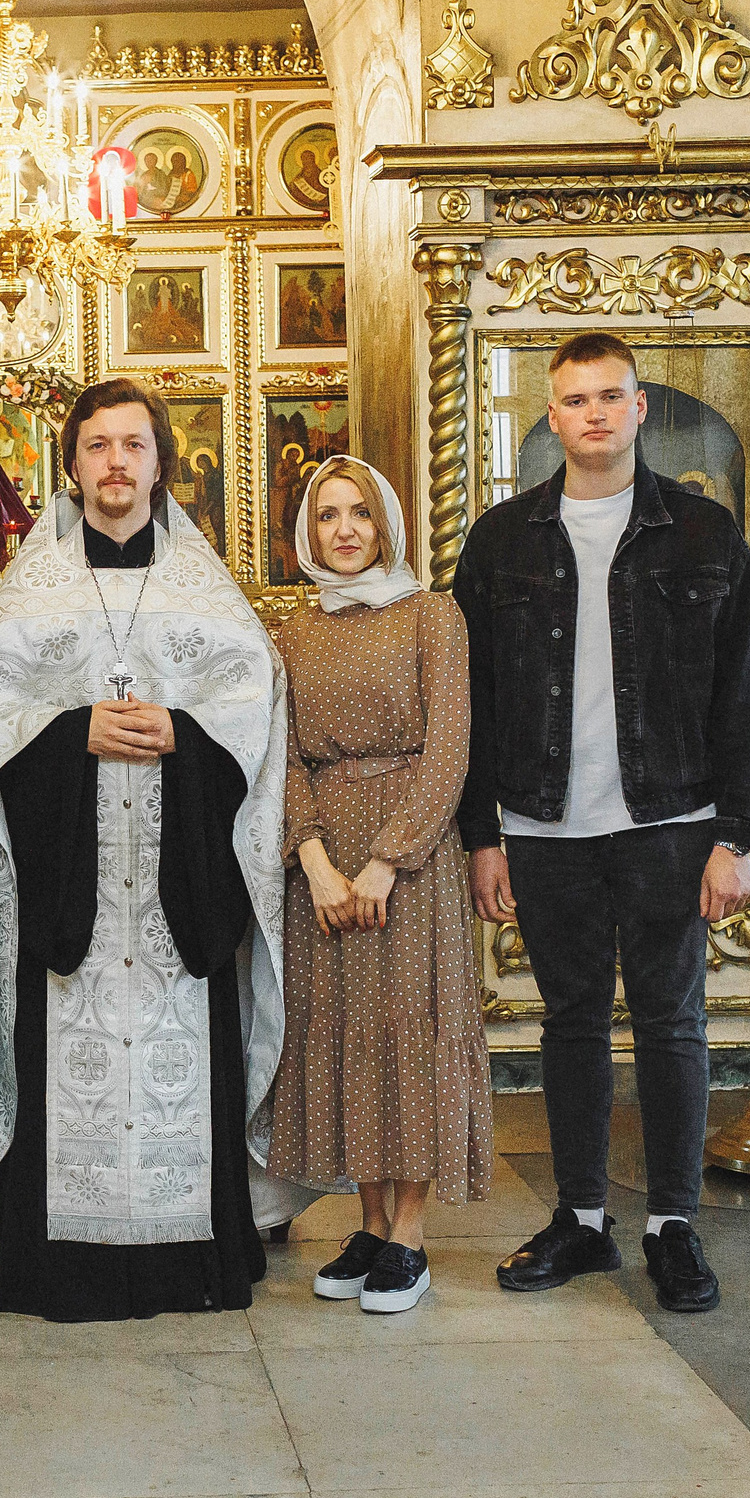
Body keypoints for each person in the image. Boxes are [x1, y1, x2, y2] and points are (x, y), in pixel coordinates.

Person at [0, 376, 300, 1321]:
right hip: (70, 887)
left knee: (184, 1061)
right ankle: (62, 1268)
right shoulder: (32, 591)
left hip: (179, 886)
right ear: (72, 462)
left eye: (134, 444)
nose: (117, 462)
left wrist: (184, 733)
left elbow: (252, 708)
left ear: (162, 462)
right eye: (98, 446)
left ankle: (196, 1264)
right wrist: (70, 733)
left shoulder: (204, 593)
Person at [453, 330, 750, 1315]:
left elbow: (739, 694)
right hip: (542, 823)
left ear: (639, 409)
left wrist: (734, 835)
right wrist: (480, 834)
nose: (592, 413)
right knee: (571, 1023)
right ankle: (582, 1220)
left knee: (672, 1023)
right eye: (574, 399)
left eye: (609, 396)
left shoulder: (706, 536)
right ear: (552, 417)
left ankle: (673, 1224)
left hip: (669, 819)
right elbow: (472, 695)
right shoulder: (501, 538)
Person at [260, 456, 491, 1315]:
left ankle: (411, 1235)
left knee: (409, 1028)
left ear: (387, 523)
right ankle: (366, 1219)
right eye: (328, 515)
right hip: (323, 852)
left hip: (411, 853)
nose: (346, 529)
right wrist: (314, 860)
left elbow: (451, 748)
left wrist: (389, 859)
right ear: (307, 532)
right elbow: (276, 752)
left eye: (361, 512)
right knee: (344, 1029)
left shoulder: (433, 615)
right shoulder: (291, 630)